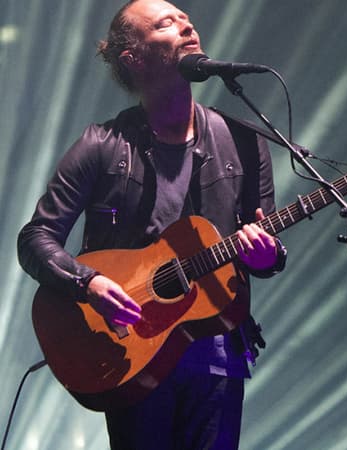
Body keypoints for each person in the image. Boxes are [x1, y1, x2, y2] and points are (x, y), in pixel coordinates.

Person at [16, 0, 286, 448]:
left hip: (218, 355)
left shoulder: (241, 139)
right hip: (128, 352)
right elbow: (36, 238)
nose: (186, 26)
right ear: (133, 58)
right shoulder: (102, 145)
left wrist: (268, 253)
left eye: (186, 20)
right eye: (166, 23)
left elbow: (264, 248)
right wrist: (88, 284)